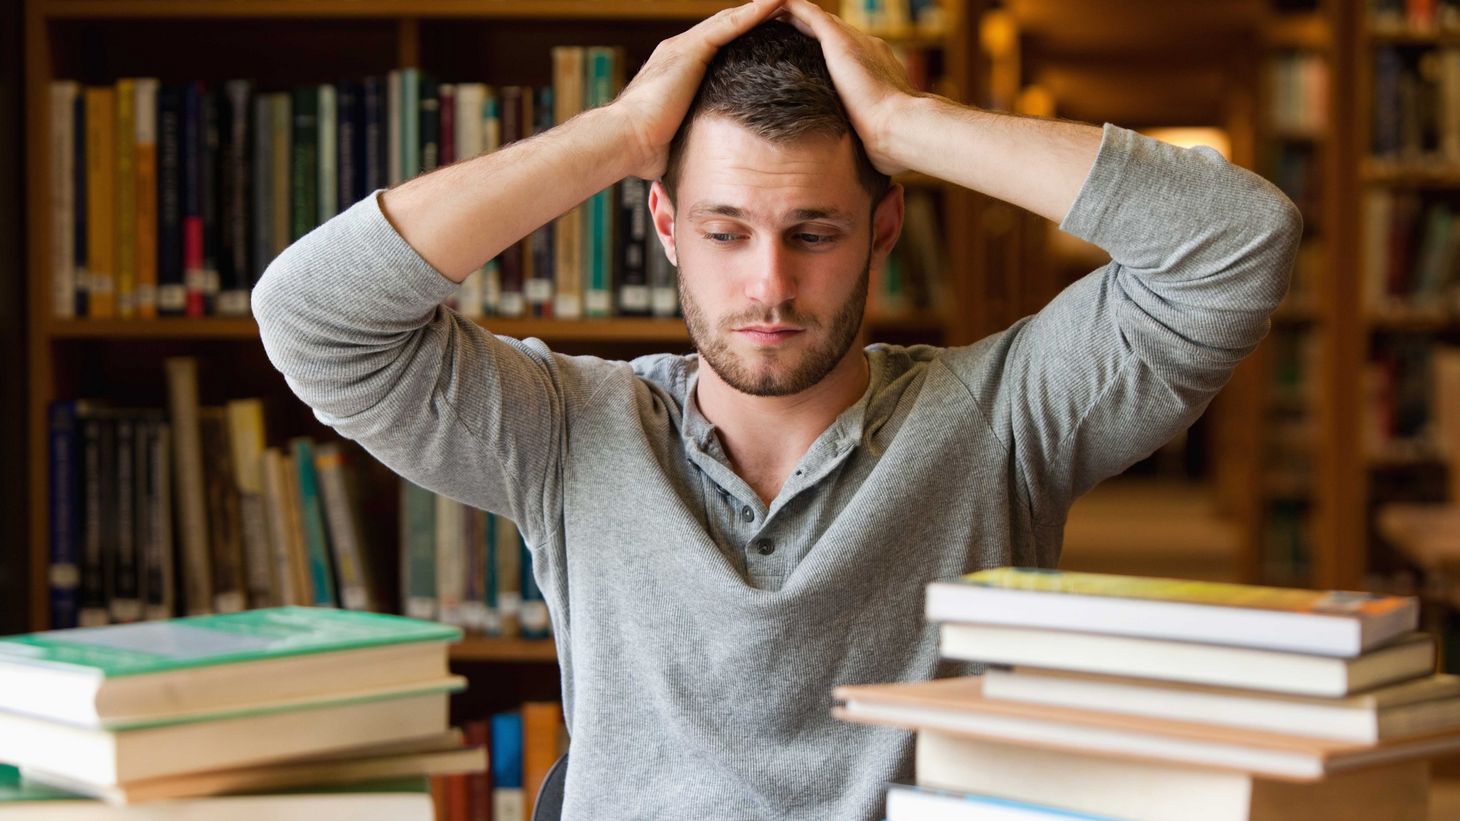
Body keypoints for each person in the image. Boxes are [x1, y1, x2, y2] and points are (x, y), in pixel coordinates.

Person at [253, 0, 1301, 817]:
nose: (767, 284)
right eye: (723, 230)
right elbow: (311, 316)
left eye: (813, 230)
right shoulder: (566, 430)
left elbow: (1234, 245)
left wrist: (905, 123)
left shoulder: (1001, 417)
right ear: (662, 222)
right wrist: (620, 133)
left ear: (883, 225)